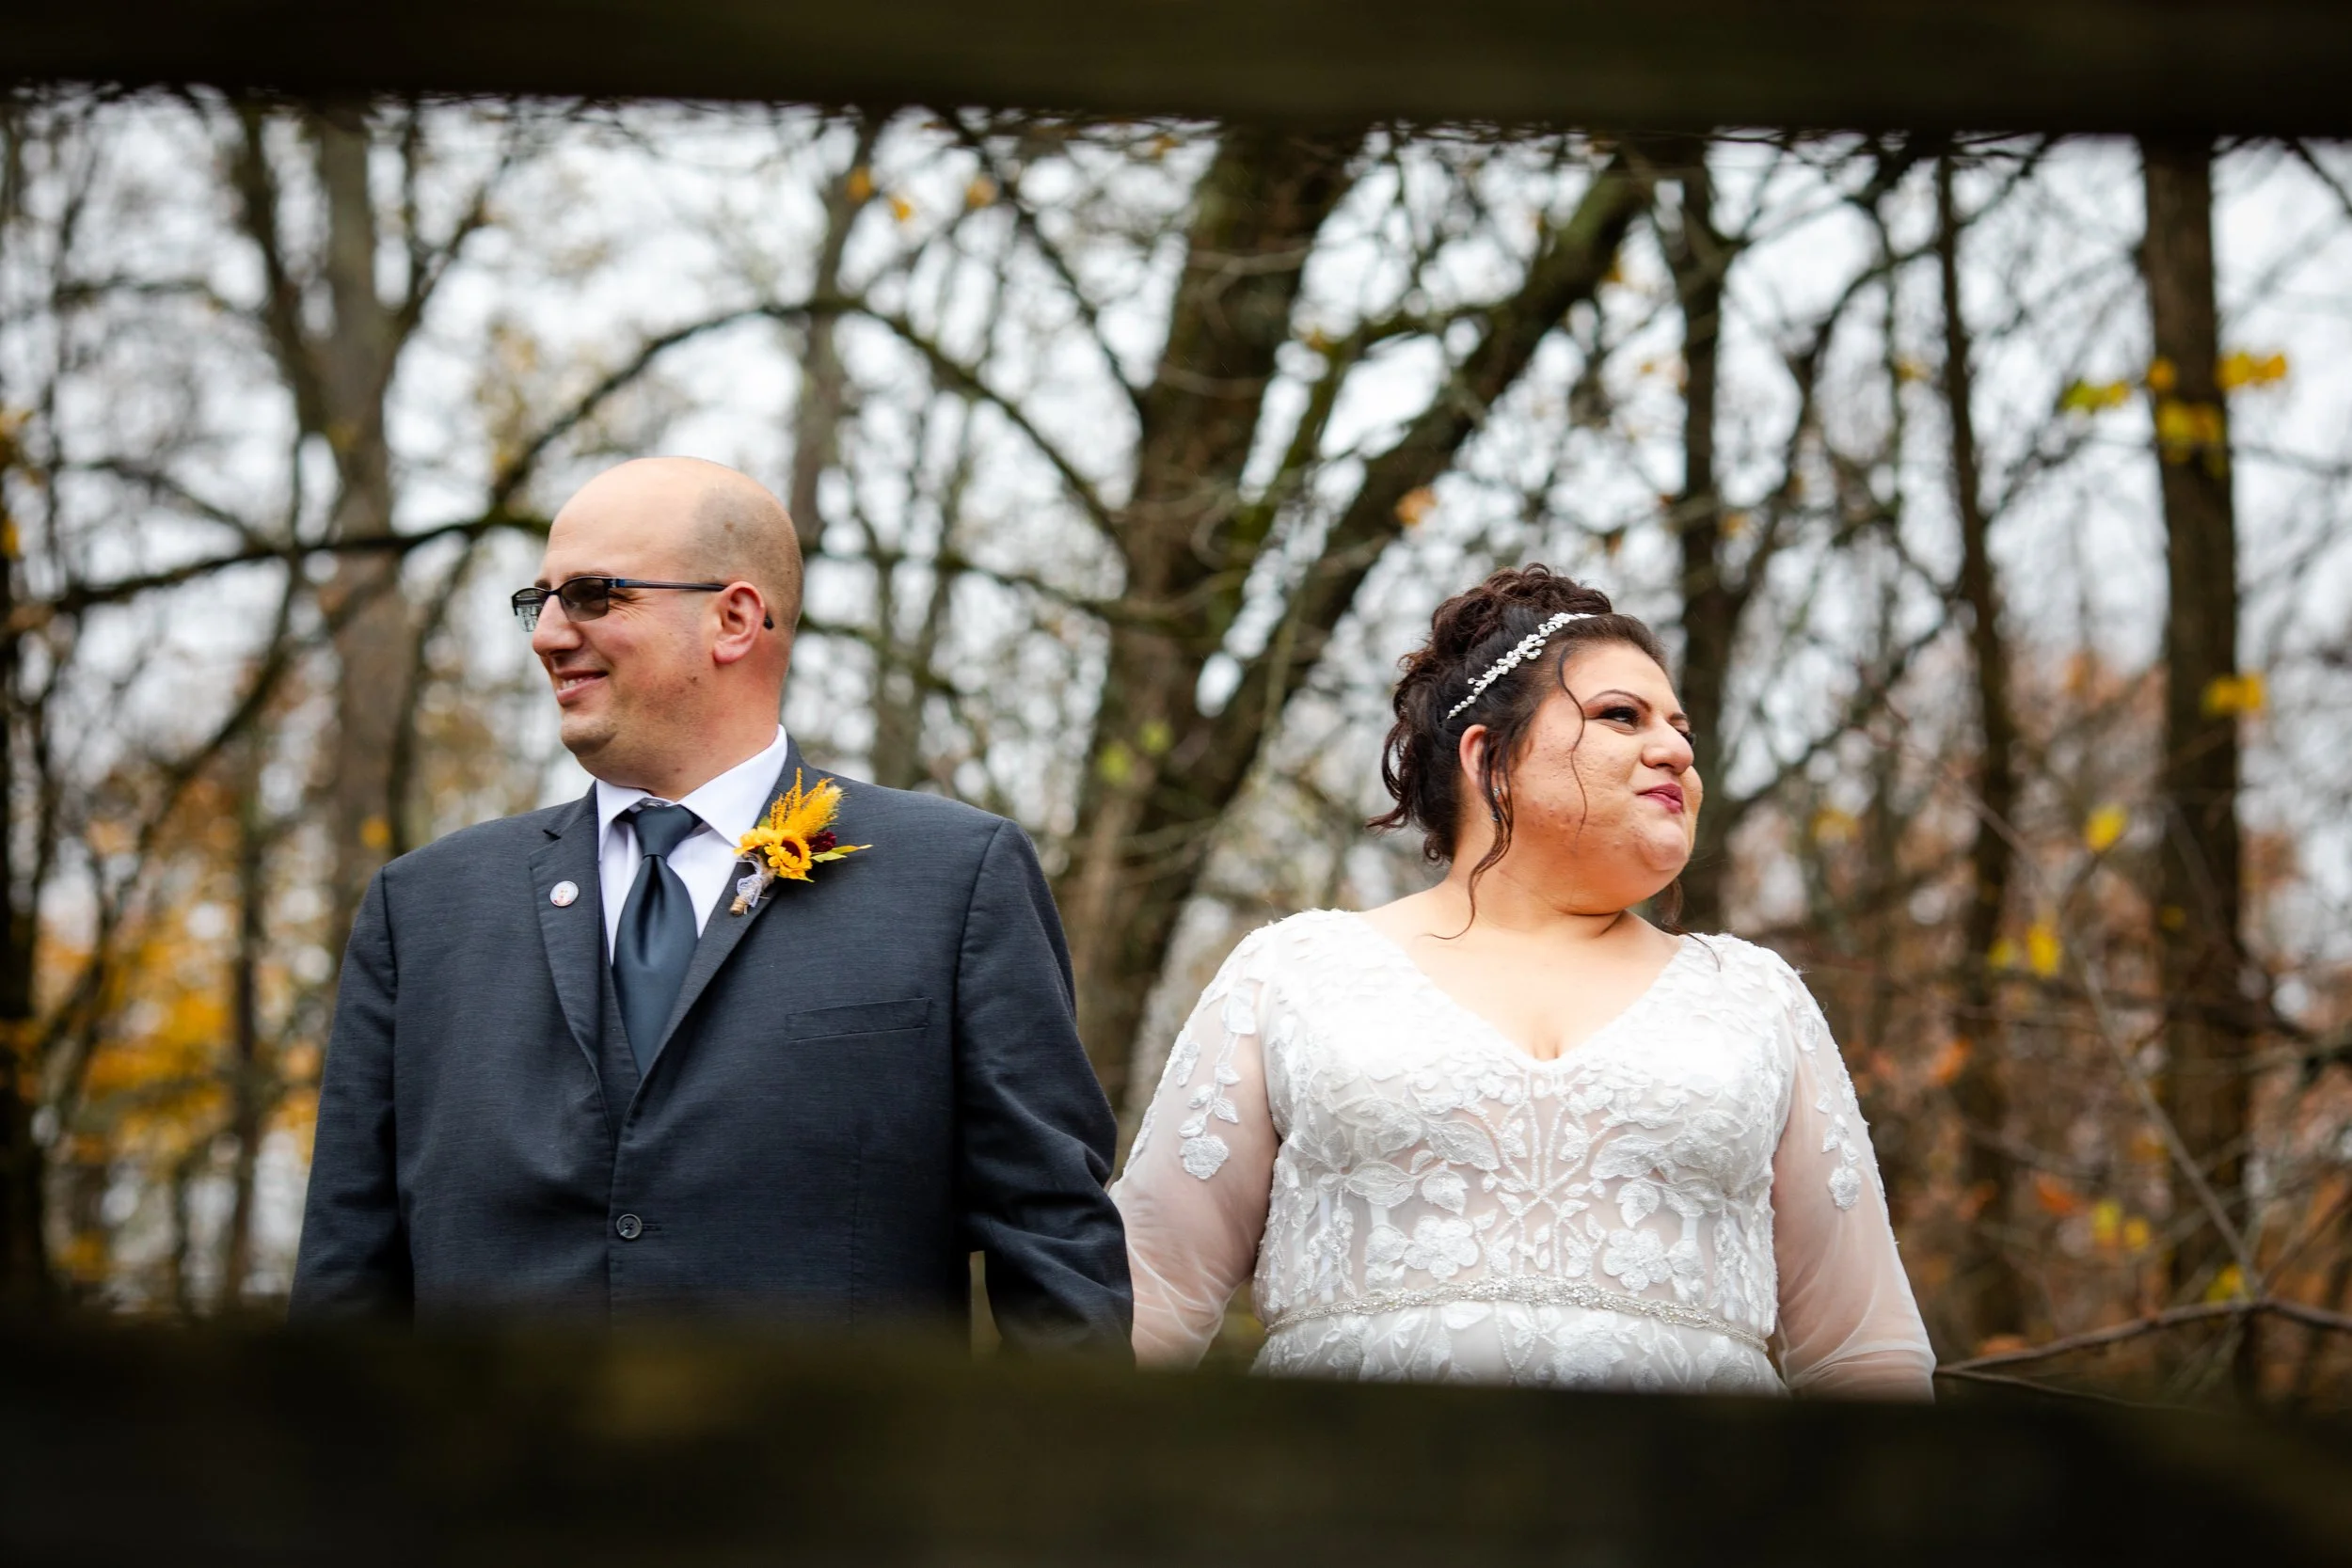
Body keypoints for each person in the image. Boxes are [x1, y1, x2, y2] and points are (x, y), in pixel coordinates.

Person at [292, 457, 1131, 1350]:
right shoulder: (423, 911)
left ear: (733, 618)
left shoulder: (953, 881)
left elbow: (1056, 1261)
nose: (546, 635)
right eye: (538, 601)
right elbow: (345, 1285)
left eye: (592, 595)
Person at [1113, 566, 1933, 1395]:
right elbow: (1147, 1291)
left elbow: (1862, 1350)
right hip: (1345, 1507)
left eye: (1682, 730)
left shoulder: (1759, 998)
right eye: (1622, 716)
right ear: (1490, 757)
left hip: (1693, 1513)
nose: (1678, 751)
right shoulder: (1292, 973)